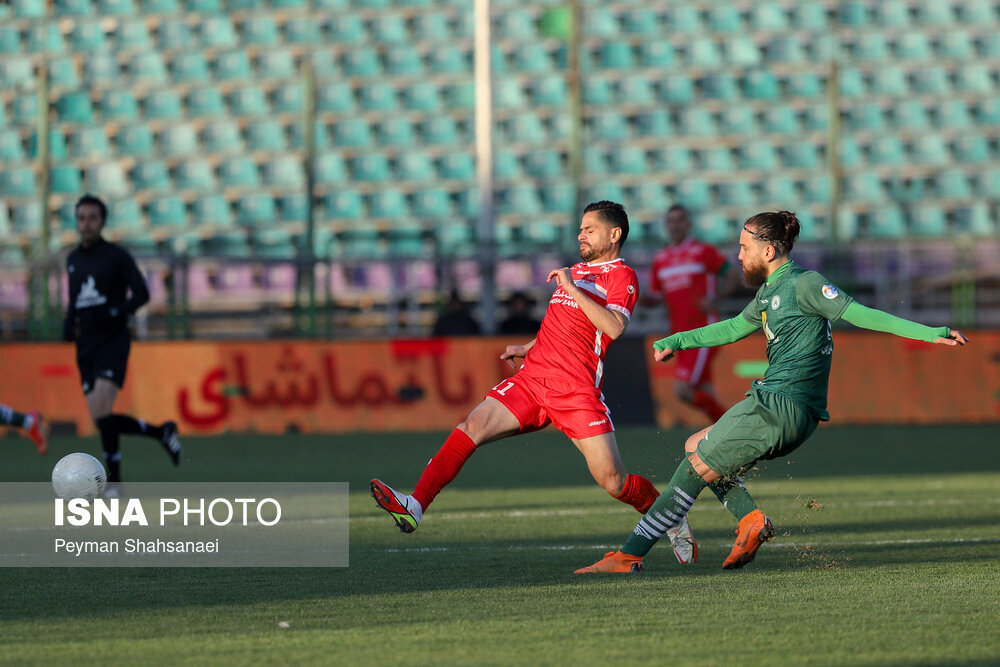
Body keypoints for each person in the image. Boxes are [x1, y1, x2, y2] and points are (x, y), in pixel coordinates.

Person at [576, 210, 968, 574]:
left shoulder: (806, 283)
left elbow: (861, 313)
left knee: (695, 469)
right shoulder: (767, 293)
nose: (739, 255)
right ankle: (749, 520)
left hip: (783, 406)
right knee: (697, 446)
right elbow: (730, 329)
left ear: (768, 249)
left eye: (744, 248)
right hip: (771, 402)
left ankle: (629, 555)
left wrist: (929, 333)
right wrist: (677, 339)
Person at [371, 201, 696, 565]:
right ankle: (416, 504)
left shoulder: (621, 276)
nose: (581, 235)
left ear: (614, 234)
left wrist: (572, 288)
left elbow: (614, 327)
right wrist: (527, 348)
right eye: (581, 228)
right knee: (471, 426)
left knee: (614, 482)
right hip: (533, 378)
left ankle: (670, 516)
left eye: (589, 229)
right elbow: (562, 325)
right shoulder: (575, 271)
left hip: (574, 390)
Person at [64, 195, 182, 496]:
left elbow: (142, 293)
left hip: (113, 339)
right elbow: (77, 296)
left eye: (92, 217)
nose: (86, 223)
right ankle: (161, 432)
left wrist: (116, 311)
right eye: (81, 218)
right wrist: (69, 320)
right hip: (86, 344)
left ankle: (114, 483)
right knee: (100, 418)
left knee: (103, 411)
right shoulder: (73, 260)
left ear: (102, 222)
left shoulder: (116, 256)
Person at [646, 204, 737, 422]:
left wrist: (715, 299)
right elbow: (657, 297)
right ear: (666, 226)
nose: (675, 225)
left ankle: (731, 427)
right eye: (671, 221)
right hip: (680, 337)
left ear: (688, 224)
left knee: (682, 390)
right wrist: (639, 299)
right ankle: (727, 433)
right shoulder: (661, 259)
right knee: (705, 390)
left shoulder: (702, 251)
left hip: (704, 332)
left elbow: (733, 275)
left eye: (680, 220)